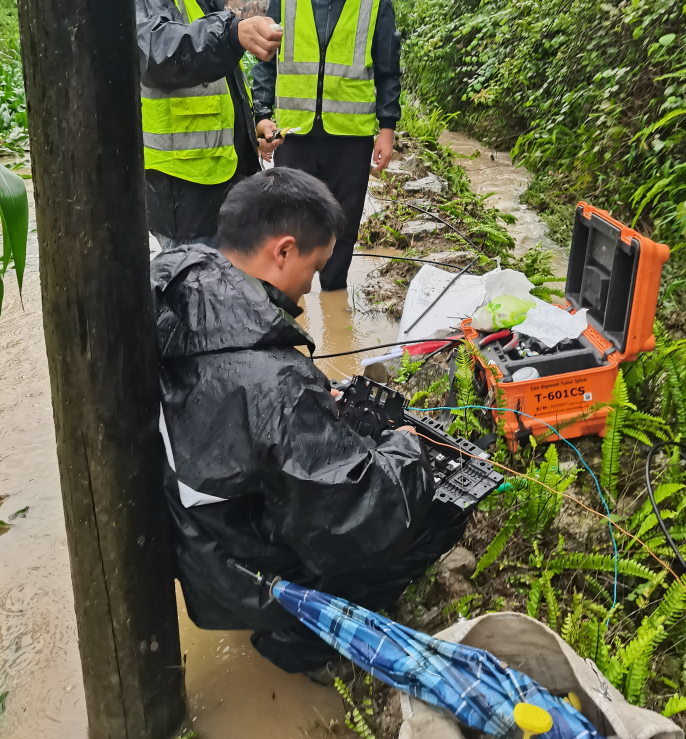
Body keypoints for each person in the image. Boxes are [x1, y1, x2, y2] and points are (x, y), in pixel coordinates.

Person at [152, 168, 467, 677]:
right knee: (429, 517)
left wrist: (317, 397)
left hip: (183, 530)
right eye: (315, 268)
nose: (312, 285)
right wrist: (406, 450)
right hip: (233, 570)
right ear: (283, 251)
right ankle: (298, 643)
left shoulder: (178, 274)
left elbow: (238, 403)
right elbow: (360, 514)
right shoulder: (276, 383)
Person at [136, 0, 285, 248]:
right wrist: (233, 32)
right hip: (182, 196)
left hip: (220, 182)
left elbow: (219, 86)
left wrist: (252, 127)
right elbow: (161, 53)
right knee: (194, 301)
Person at [251, 0, 401, 290]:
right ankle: (288, 302)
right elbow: (266, 63)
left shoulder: (375, 3)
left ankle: (334, 296)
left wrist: (387, 129)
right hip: (295, 135)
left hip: (349, 140)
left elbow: (387, 72)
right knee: (289, 224)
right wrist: (262, 114)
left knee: (343, 224)